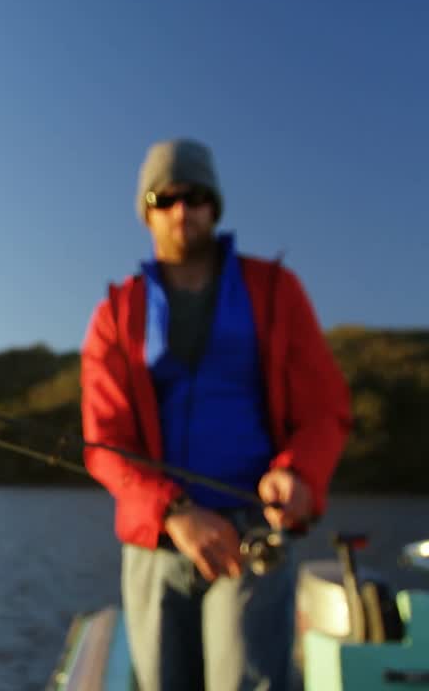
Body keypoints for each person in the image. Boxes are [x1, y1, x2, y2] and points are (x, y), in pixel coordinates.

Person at [80, 138, 352, 690]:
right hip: (158, 541)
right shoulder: (116, 312)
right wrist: (173, 511)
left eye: (198, 196)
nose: (183, 210)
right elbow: (104, 442)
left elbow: (324, 408)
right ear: (146, 211)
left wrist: (297, 473)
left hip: (254, 534)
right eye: (167, 197)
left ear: (216, 205)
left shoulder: (275, 290)